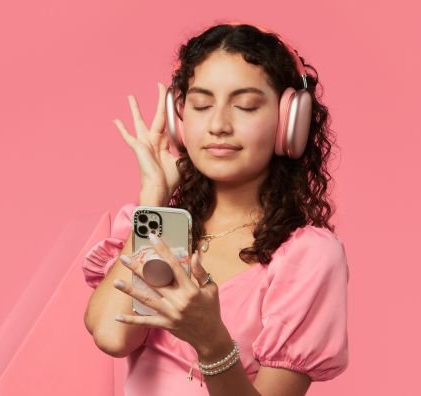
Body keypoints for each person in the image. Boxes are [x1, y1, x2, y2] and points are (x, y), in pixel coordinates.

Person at [82, 22, 349, 396]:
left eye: (245, 106)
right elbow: (112, 335)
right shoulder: (153, 223)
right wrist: (153, 204)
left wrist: (212, 342)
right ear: (180, 119)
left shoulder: (308, 256)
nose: (219, 125)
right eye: (202, 105)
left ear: (289, 123)